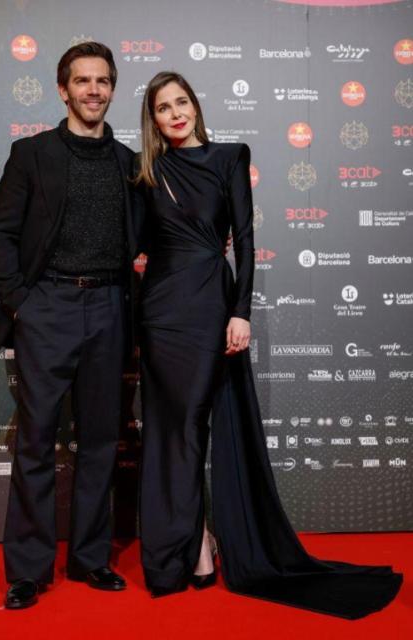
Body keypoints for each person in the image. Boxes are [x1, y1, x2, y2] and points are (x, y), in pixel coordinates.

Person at [135, 70, 402, 618]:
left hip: (211, 303)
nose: (175, 114)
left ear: (195, 105)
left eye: (181, 102)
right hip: (160, 310)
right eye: (163, 108)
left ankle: (195, 548)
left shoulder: (230, 157)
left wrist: (240, 312)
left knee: (191, 425)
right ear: (154, 120)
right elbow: (138, 242)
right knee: (167, 429)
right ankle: (191, 546)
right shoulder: (147, 172)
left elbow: (247, 240)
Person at [0, 42, 143, 610]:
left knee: (102, 441)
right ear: (63, 89)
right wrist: (25, 305)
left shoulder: (130, 164)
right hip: (47, 306)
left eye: (102, 81)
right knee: (35, 442)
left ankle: (91, 558)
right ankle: (28, 569)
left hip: (108, 310)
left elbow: (151, 241)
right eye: (82, 81)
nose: (93, 90)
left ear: (112, 89)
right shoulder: (32, 154)